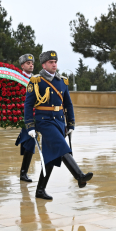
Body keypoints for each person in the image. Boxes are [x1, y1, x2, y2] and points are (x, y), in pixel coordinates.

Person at [23, 50, 92, 200]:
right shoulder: (36, 81)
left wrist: (71, 123)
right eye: (51, 62)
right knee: (61, 147)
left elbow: (68, 104)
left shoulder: (62, 81)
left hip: (59, 121)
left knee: (51, 158)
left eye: (55, 62)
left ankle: (40, 190)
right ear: (44, 65)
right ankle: (79, 175)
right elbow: (28, 105)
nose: (54, 64)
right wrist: (30, 126)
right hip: (45, 121)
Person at [14, 53, 37, 182]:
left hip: (35, 114)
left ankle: (24, 172)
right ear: (22, 65)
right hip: (24, 114)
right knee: (30, 141)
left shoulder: (36, 79)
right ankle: (23, 173)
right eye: (28, 63)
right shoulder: (17, 78)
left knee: (30, 141)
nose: (31, 65)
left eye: (32, 63)